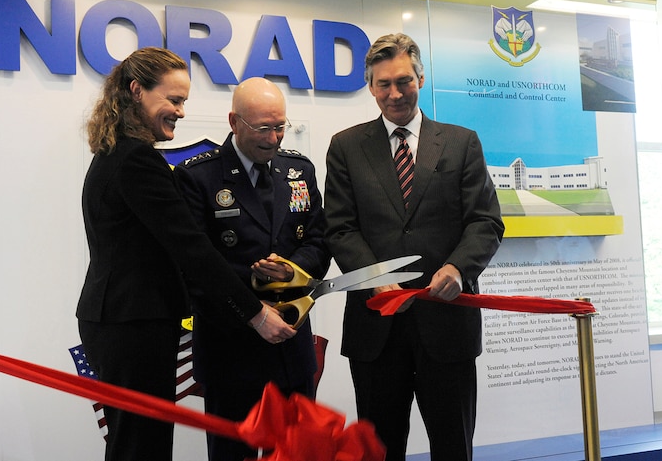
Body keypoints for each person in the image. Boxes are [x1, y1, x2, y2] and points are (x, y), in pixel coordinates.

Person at [76, 48, 294, 461]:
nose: (180, 111)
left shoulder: (115, 153)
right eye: (173, 100)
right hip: (133, 325)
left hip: (121, 320)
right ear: (136, 91)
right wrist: (255, 313)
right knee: (142, 446)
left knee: (134, 443)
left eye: (183, 102)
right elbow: (193, 250)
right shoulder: (138, 160)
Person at [324, 34, 505, 461]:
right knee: (379, 451)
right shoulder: (346, 146)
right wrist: (376, 281)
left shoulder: (462, 142)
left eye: (404, 81)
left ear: (420, 78)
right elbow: (339, 228)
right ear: (370, 87)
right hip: (376, 330)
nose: (394, 93)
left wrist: (459, 269)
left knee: (453, 446)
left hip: (448, 326)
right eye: (383, 84)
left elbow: (486, 221)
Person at [174, 76, 330, 461]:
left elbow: (320, 241)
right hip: (232, 348)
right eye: (263, 128)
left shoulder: (298, 170)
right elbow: (195, 266)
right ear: (234, 122)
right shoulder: (198, 177)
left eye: (280, 126)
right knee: (232, 454)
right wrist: (254, 283)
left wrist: (292, 269)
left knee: (296, 453)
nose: (274, 138)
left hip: (291, 346)